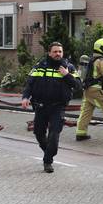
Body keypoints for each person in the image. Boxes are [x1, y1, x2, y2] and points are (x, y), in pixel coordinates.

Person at [22, 42, 81, 173]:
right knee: (39, 133)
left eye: (60, 51)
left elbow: (78, 86)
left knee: (54, 134)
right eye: (55, 52)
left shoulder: (69, 67)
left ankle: (47, 161)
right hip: (40, 106)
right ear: (49, 53)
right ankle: (48, 151)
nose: (57, 54)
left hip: (57, 107)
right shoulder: (40, 66)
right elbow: (29, 83)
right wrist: (25, 97)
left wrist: (67, 75)